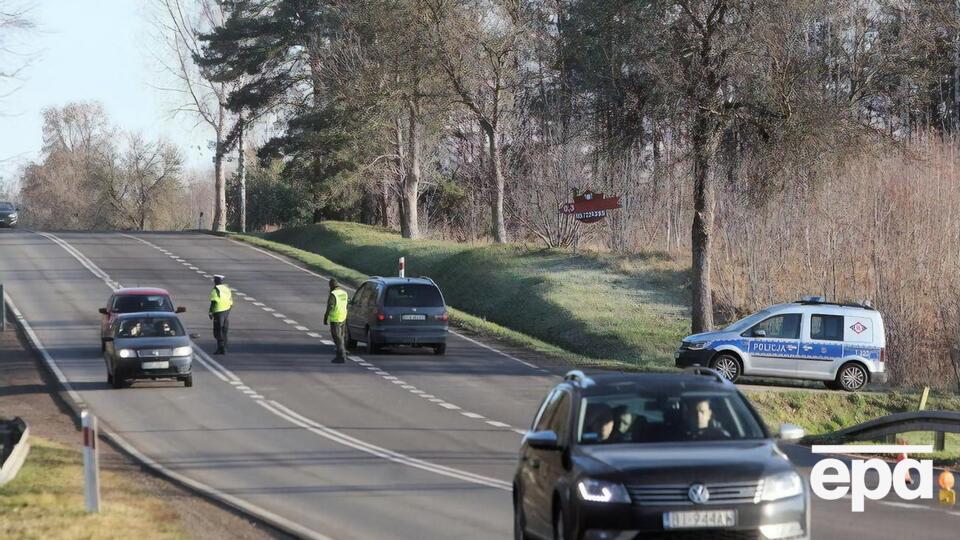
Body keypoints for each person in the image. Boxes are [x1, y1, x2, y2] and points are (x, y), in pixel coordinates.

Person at [323, 278, 349, 363]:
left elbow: (330, 306)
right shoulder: (344, 293)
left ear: (331, 286)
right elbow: (347, 304)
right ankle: (341, 354)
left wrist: (326, 317)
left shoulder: (333, 294)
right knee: (341, 336)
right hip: (343, 317)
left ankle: (341, 356)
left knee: (337, 338)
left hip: (336, 319)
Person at [208, 275, 233, 354]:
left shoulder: (215, 290)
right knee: (224, 330)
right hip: (227, 309)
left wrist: (211, 311)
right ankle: (224, 347)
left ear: (215, 281)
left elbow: (214, 301)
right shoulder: (226, 288)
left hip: (218, 311)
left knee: (218, 331)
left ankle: (221, 348)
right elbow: (230, 299)